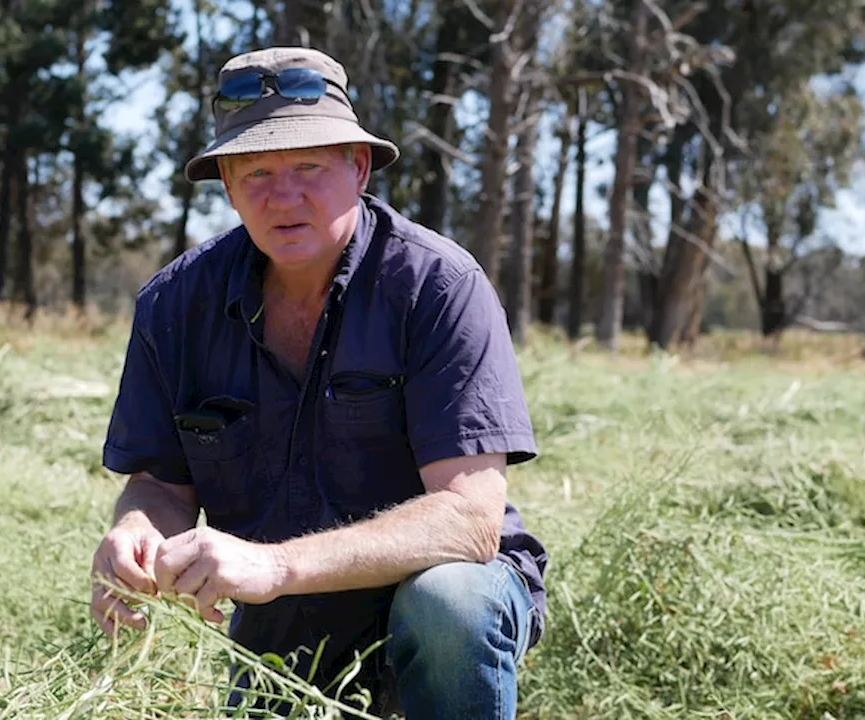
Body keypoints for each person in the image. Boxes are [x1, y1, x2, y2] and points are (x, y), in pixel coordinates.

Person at [91, 46, 549, 719]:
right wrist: (136, 533)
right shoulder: (175, 306)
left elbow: (468, 521)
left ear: (357, 167)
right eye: (256, 172)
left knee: (450, 604)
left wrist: (275, 567)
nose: (284, 196)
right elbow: (160, 484)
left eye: (308, 166)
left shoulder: (438, 287)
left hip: (433, 595)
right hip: (282, 633)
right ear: (225, 182)